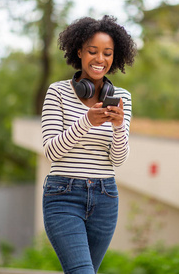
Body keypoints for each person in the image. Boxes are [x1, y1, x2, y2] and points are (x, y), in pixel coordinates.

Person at [41, 15, 137, 274]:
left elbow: (118, 159)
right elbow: (51, 151)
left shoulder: (121, 98)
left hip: (105, 198)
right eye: (93, 51)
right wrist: (86, 121)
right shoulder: (58, 92)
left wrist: (117, 127)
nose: (100, 59)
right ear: (80, 51)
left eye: (107, 53)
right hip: (63, 195)